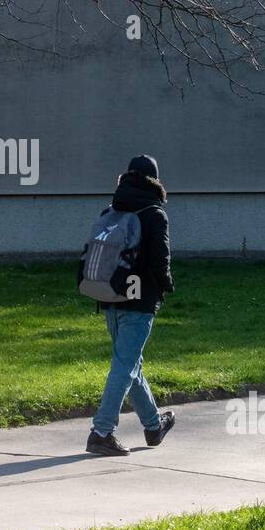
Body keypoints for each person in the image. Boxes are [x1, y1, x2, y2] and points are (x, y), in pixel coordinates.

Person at [81, 154, 176, 456]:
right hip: (140, 301)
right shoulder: (154, 213)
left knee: (130, 363)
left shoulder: (112, 209)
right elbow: (160, 261)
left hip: (110, 297)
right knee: (124, 366)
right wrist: (167, 286)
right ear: (155, 180)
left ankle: (152, 426)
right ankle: (101, 432)